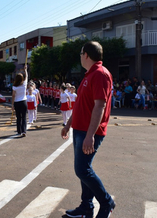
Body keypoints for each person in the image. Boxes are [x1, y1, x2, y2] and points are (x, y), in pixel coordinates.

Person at [61, 41, 115, 218]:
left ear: (86, 55)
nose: (80, 56)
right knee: (84, 169)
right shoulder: (89, 75)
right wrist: (68, 125)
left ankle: (106, 202)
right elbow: (80, 106)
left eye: (80, 53)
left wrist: (90, 135)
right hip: (80, 129)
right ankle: (86, 207)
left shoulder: (100, 74)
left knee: (82, 170)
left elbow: (100, 105)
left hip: (89, 131)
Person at [11, 65, 28, 137]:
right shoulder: (24, 84)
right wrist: (25, 70)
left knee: (18, 117)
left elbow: (13, 96)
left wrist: (12, 104)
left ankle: (19, 131)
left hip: (17, 102)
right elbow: (27, 76)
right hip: (23, 101)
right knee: (24, 117)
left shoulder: (14, 87)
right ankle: (24, 130)